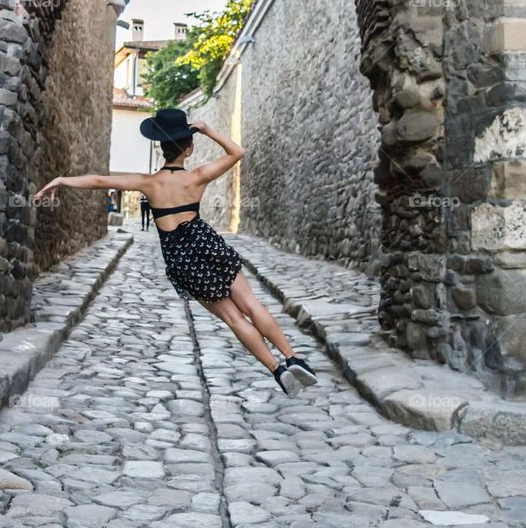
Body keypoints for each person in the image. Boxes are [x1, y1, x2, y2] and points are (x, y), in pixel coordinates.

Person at [33, 107, 317, 397]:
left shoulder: (149, 183)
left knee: (234, 319)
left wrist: (61, 181)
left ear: (161, 147)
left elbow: (99, 181)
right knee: (252, 306)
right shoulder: (197, 177)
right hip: (207, 242)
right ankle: (292, 358)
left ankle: (277, 370)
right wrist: (207, 129)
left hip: (180, 258)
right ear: (189, 149)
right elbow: (237, 152)